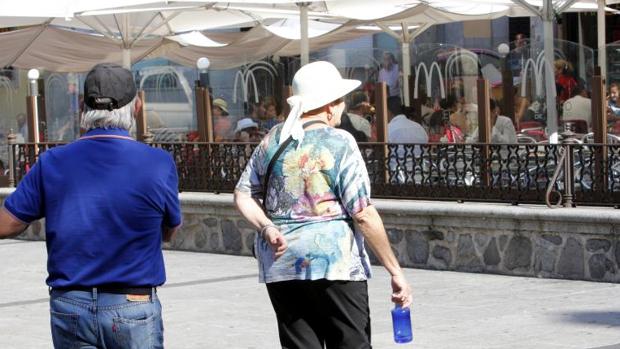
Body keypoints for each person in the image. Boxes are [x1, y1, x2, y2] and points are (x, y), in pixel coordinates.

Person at [0, 63, 182, 349]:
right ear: (136, 107)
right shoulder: (158, 163)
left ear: (82, 107)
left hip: (70, 303)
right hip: (132, 301)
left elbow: (6, 224)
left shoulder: (52, 162)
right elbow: (171, 229)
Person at [234, 61, 412, 349]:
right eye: (341, 101)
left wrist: (267, 227)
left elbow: (242, 195)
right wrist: (395, 271)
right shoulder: (340, 141)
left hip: (282, 264)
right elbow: (363, 213)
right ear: (330, 106)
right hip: (335, 263)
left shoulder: (271, 139)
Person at [387, 98, 428, 183]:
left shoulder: (388, 129)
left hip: (396, 178)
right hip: (421, 176)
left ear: (387, 111)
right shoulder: (419, 127)